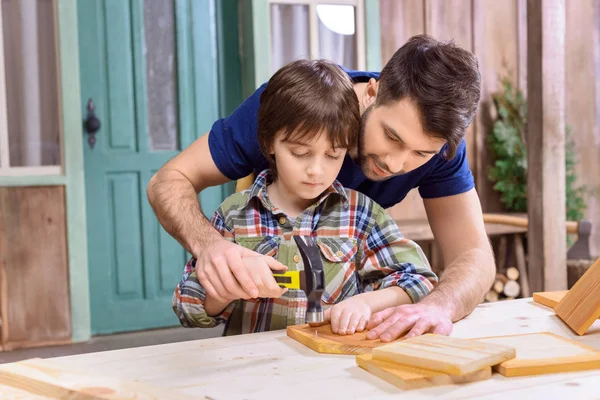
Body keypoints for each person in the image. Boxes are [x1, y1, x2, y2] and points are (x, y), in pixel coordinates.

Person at [148, 34, 495, 342]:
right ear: (372, 91)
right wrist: (212, 247)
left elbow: (474, 256)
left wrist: (437, 306)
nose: (396, 164)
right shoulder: (293, 110)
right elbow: (168, 180)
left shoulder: (440, 148)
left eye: (421, 153)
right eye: (391, 136)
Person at [172, 59, 438, 336]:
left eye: (334, 155)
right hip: (253, 372)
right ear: (269, 143)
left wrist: (367, 303)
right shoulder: (235, 215)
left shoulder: (362, 216)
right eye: (300, 153)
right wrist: (226, 288)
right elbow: (187, 307)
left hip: (332, 370)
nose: (316, 170)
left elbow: (419, 280)